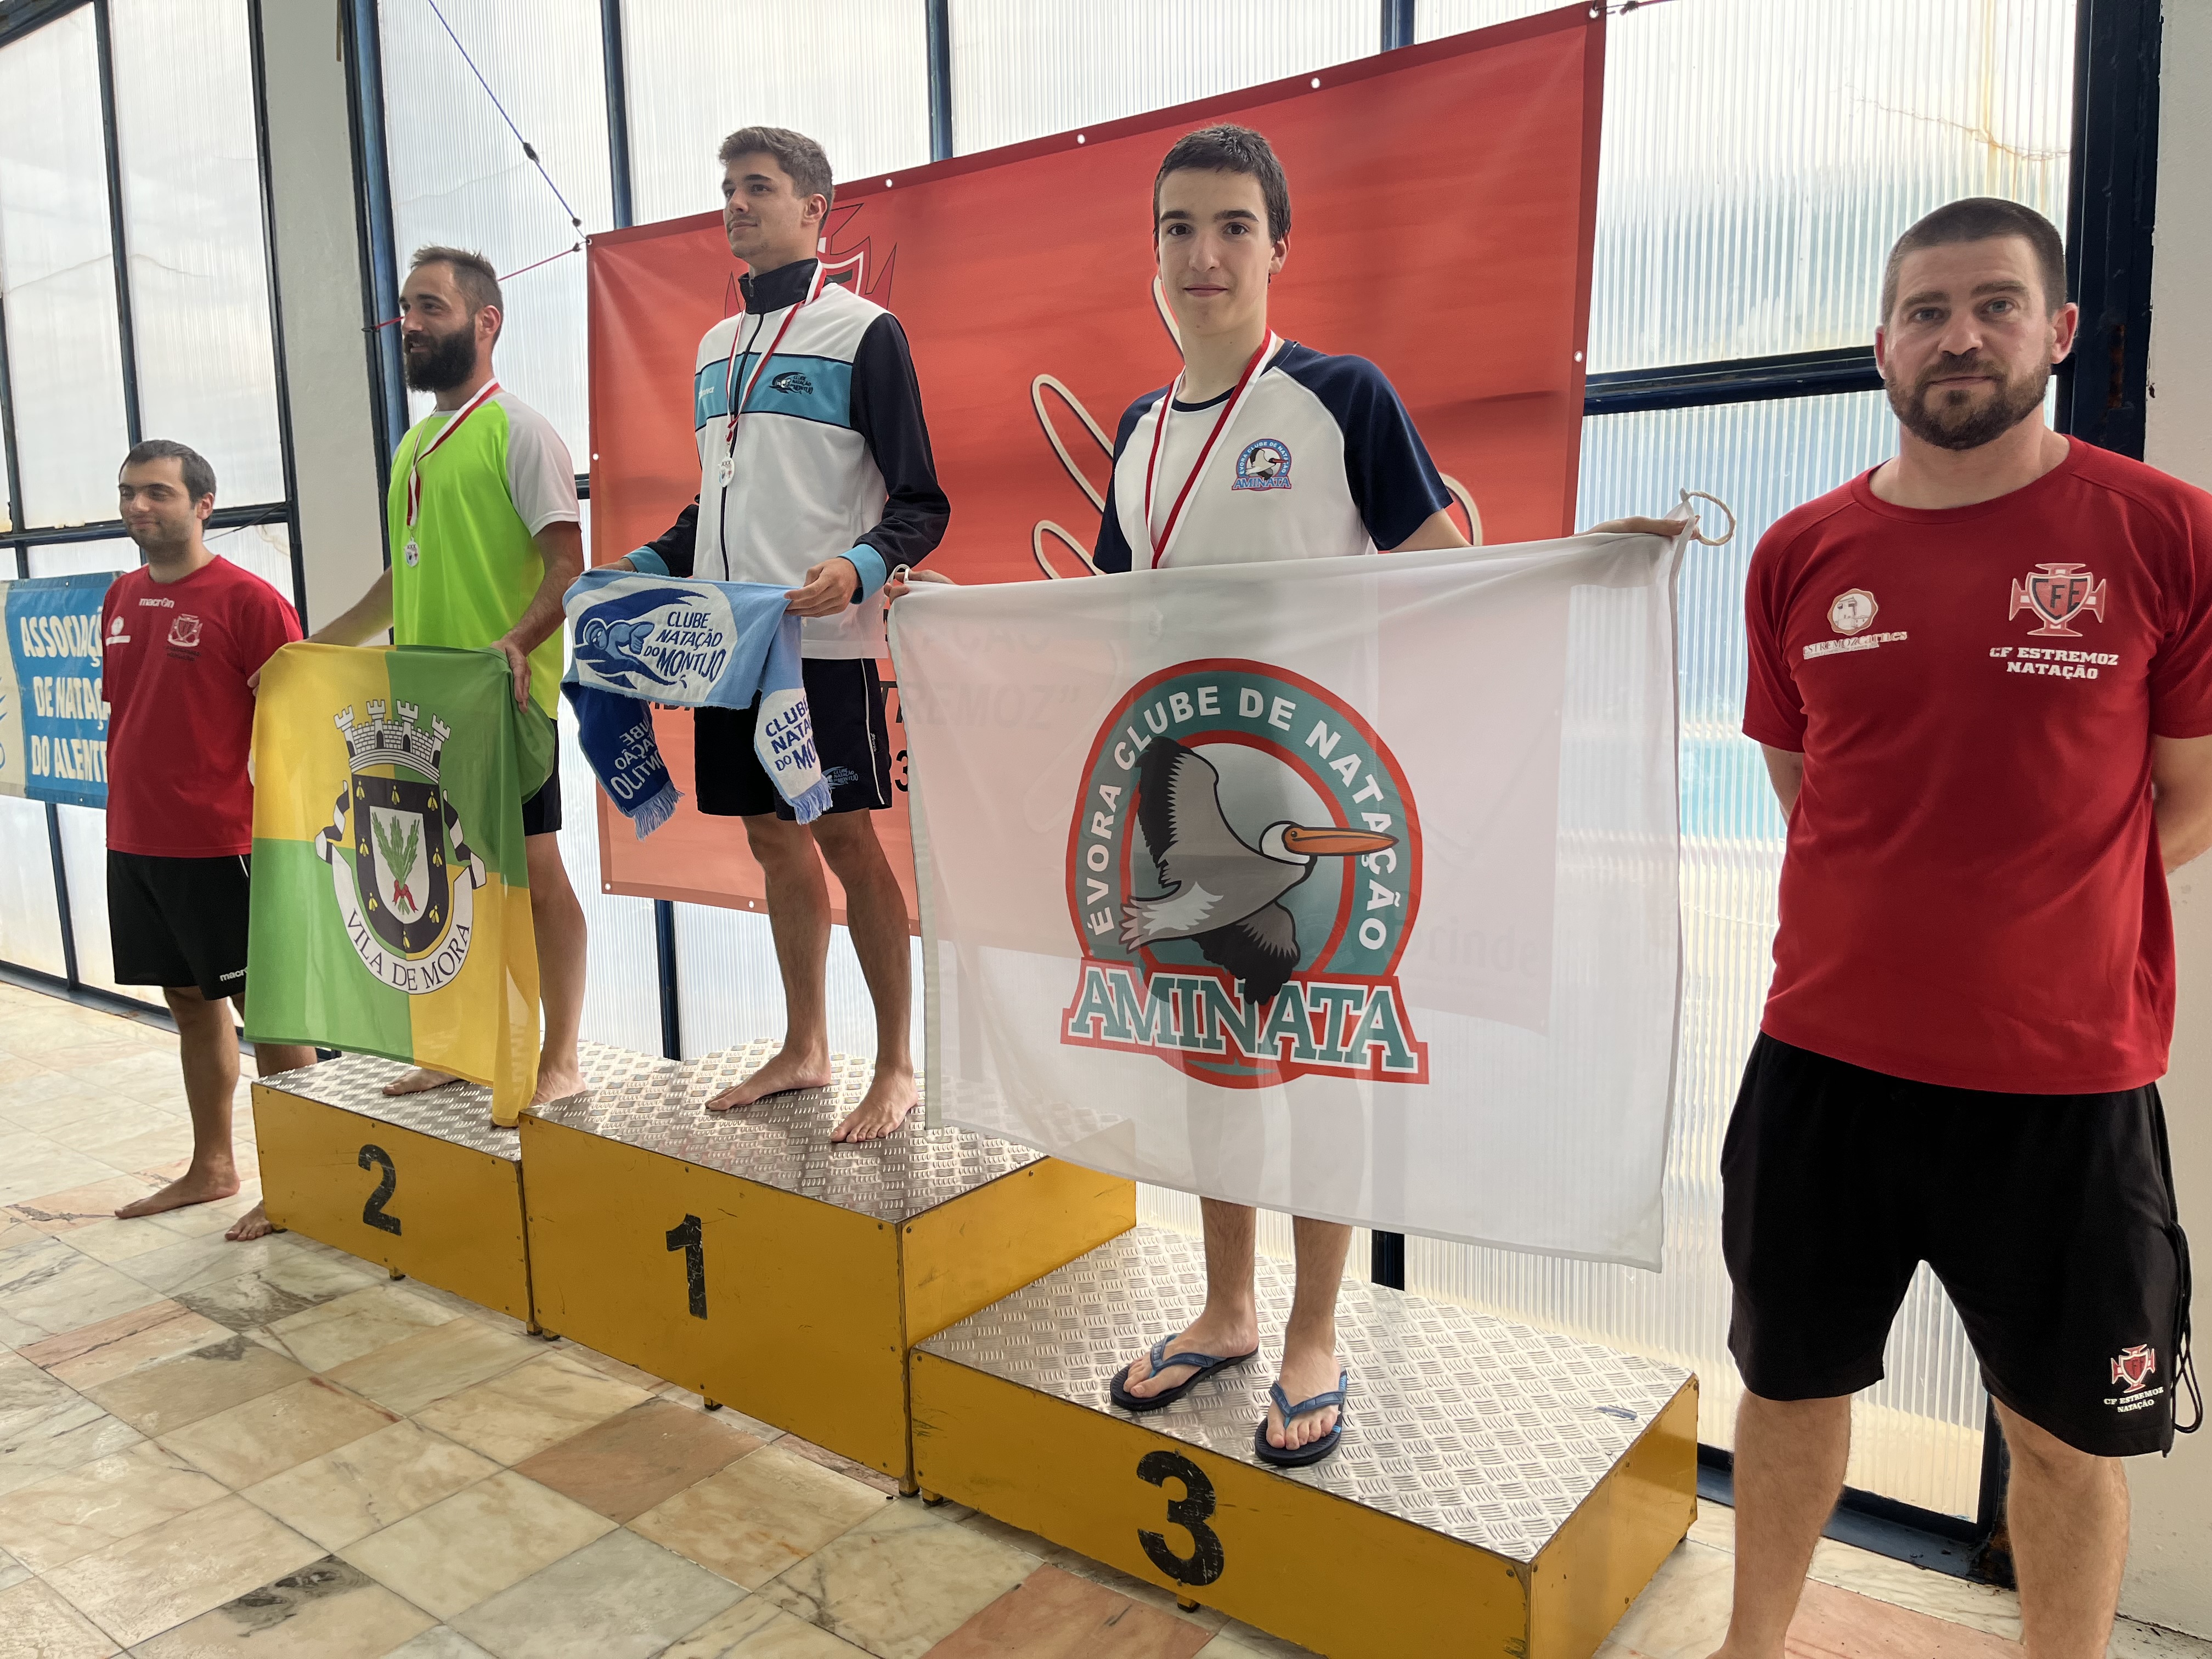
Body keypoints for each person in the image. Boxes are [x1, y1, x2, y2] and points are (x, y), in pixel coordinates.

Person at [1093, 124, 1676, 1466]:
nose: (1203, 254)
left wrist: (1579, 560)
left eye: (1234, 226)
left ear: (1279, 249)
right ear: (1155, 253)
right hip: (1178, 795)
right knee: (1214, 1062)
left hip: (1315, 800)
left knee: (1319, 1067)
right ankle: (1226, 1309)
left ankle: (1312, 1332)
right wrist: (952, 621)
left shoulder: (1339, 397)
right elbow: (1105, 613)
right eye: (1179, 227)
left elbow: (1447, 576)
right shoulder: (1136, 432)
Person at [1716, 197, 2207, 1659]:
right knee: (1788, 1391)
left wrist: (2046, 902)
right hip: (1825, 1065)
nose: (1960, 337)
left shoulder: (2164, 532)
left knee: (2062, 1436)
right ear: (1884, 344)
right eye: (1927, 312)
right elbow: (1807, 784)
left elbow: (2189, 794)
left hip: (2062, 1085)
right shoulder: (1802, 552)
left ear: (2058, 333)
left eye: (1996, 305)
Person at [616, 126, 949, 1144]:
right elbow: (717, 503)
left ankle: (897, 1066)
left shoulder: (866, 333)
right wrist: (648, 564)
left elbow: (921, 502)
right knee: (771, 838)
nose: (736, 205)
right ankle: (806, 1047)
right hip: (730, 644)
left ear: (814, 209)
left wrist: (859, 567)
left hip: (822, 648)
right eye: (728, 188)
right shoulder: (715, 348)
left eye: (757, 188)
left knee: (845, 838)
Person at [301, 246, 588, 1115]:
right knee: (450, 880)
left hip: (504, 703)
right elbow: (403, 578)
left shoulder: (520, 431)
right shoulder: (416, 443)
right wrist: (313, 650)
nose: (410, 325)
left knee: (535, 874)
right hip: (427, 707)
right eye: (406, 308)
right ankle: (463, 1049)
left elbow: (568, 568)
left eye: (430, 307)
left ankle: (562, 1057)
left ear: (485, 321)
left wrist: (516, 642)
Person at [101, 441, 317, 1240]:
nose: (138, 506)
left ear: (203, 505)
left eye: (157, 492)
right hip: (137, 838)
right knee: (190, 1003)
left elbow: (298, 728)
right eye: (129, 492)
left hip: (223, 842)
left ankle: (298, 1180)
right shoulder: (121, 596)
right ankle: (213, 1167)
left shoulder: (249, 602)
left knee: (271, 1014)